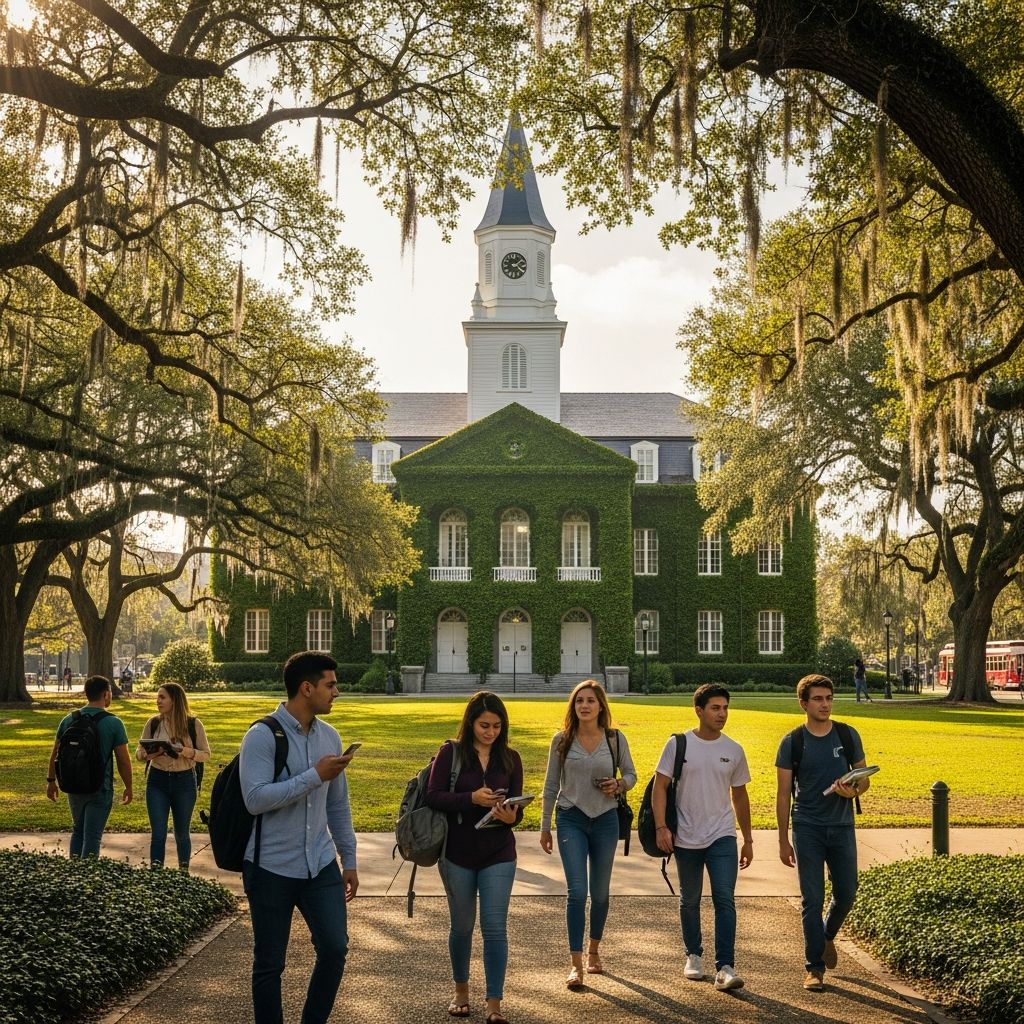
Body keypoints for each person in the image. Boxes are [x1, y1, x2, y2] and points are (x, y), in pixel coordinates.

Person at [239, 651, 358, 1024]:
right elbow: (255, 799)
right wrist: (313, 776)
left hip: (319, 864)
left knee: (335, 948)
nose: (337, 692)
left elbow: (338, 805)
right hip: (271, 866)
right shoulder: (261, 736)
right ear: (306, 688)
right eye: (330, 685)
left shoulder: (330, 737)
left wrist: (348, 859)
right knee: (270, 963)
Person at [425, 691, 524, 1024]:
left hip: (499, 852)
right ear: (470, 722)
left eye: (497, 726)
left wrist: (512, 816)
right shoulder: (450, 753)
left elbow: (518, 809)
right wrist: (471, 798)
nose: (491, 732)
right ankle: (461, 991)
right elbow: (434, 796)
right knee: (462, 927)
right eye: (484, 725)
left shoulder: (511, 757)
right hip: (457, 852)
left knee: (495, 928)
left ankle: (494, 1004)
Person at [651, 683, 753, 993]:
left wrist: (746, 838)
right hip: (685, 835)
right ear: (699, 710)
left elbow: (740, 795)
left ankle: (725, 966)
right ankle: (693, 955)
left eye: (725, 708)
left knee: (725, 898)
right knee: (690, 899)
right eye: (715, 708)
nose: (722, 713)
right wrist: (661, 827)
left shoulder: (733, 750)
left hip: (722, 834)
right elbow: (660, 788)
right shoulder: (678, 744)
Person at [776, 673, 870, 992]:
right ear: (803, 703)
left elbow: (864, 779)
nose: (825, 704)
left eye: (829, 698)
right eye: (818, 699)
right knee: (812, 899)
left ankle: (826, 936)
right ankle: (814, 968)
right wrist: (782, 840)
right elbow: (783, 793)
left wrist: (852, 791)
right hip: (807, 827)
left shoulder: (847, 734)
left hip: (842, 826)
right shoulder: (793, 741)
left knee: (847, 894)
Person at [540, 680, 636, 988]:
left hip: (606, 818)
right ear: (573, 706)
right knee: (577, 892)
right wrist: (544, 826)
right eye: (579, 700)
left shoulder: (615, 739)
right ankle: (576, 964)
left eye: (591, 700)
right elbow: (551, 786)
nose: (584, 705)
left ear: (600, 706)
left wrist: (619, 785)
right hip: (571, 818)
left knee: (601, 892)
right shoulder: (562, 740)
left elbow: (631, 774)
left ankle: (595, 949)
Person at [46, 675, 133, 856]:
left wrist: (51, 781)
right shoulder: (114, 723)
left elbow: (55, 754)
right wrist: (129, 786)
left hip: (73, 785)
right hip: (100, 787)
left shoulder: (68, 720)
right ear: (106, 694)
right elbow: (123, 760)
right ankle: (87, 878)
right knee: (93, 837)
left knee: (78, 831)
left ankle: (74, 875)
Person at [136, 683, 211, 870]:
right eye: (158, 697)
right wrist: (147, 754)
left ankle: (183, 873)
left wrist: (184, 750)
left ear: (174, 700)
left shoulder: (193, 724)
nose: (158, 701)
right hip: (157, 780)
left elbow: (206, 754)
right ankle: (156, 874)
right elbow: (139, 751)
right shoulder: (153, 722)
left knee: (182, 833)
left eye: (162, 697)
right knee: (158, 833)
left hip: (184, 781)